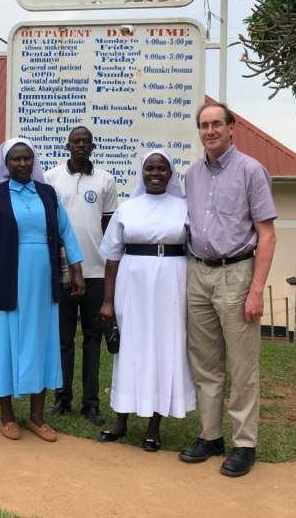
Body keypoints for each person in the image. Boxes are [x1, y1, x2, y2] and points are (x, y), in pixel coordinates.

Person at [180, 102, 277, 477]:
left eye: (217, 123)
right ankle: (210, 435)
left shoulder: (251, 171)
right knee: (205, 362)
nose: (210, 131)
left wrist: (256, 290)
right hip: (198, 272)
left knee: (242, 364)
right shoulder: (191, 174)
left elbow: (266, 234)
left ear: (232, 127)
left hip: (236, 274)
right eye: (204, 125)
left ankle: (244, 443)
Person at [0, 138, 85, 442]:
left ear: (34, 162)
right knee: (5, 342)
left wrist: (77, 270)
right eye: (15, 160)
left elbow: (66, 233)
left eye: (27, 159)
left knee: (42, 342)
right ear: (5, 164)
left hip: (42, 283)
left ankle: (37, 416)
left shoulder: (47, 194)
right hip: (6, 280)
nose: (22, 164)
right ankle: (6, 416)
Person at [97, 150, 196, 451]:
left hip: (172, 286)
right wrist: (107, 301)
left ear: (170, 174)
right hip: (133, 285)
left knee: (164, 349)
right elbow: (112, 257)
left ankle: (154, 426)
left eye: (161, 169)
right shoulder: (128, 208)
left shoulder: (185, 208)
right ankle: (120, 420)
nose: (155, 173)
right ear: (142, 173)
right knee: (130, 349)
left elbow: (195, 251)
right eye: (149, 168)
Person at [45, 126, 118, 426]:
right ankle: (62, 398)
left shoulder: (105, 180)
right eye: (76, 141)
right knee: (63, 338)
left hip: (96, 271)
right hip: (62, 270)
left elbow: (109, 227)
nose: (80, 145)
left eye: (86, 141)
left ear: (92, 146)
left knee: (92, 338)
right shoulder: (51, 178)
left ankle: (90, 403)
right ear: (67, 145)